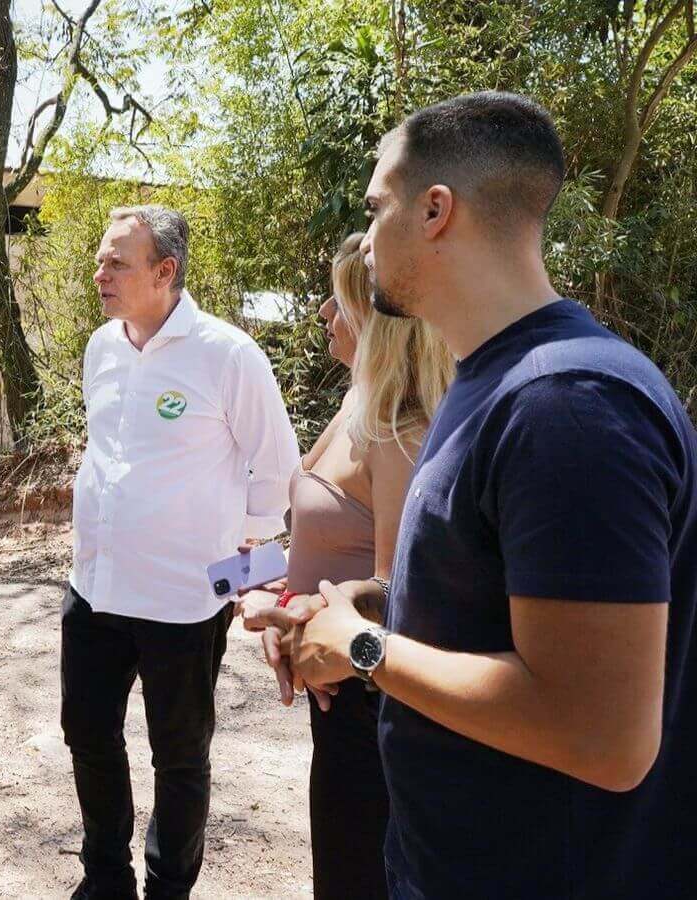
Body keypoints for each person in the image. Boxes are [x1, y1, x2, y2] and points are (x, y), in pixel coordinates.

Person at [281, 92, 697, 898]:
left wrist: (365, 653)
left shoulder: (569, 403)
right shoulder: (494, 380)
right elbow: (485, 598)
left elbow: (603, 736)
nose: (365, 240)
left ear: (436, 210)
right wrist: (352, 611)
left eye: (376, 207)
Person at [65, 206, 300, 900]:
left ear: (165, 272)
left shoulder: (227, 355)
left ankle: (169, 886)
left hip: (184, 604)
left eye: (116, 262)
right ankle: (106, 877)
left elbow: (277, 474)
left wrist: (237, 573)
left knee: (179, 757)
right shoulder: (102, 347)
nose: (100, 272)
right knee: (87, 732)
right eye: (102, 260)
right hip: (95, 588)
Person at [241, 232, 453, 899]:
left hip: (371, 700)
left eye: (336, 303)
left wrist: (300, 616)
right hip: (336, 690)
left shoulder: (397, 427)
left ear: (373, 318)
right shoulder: (356, 404)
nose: (325, 318)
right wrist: (283, 602)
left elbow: (398, 591)